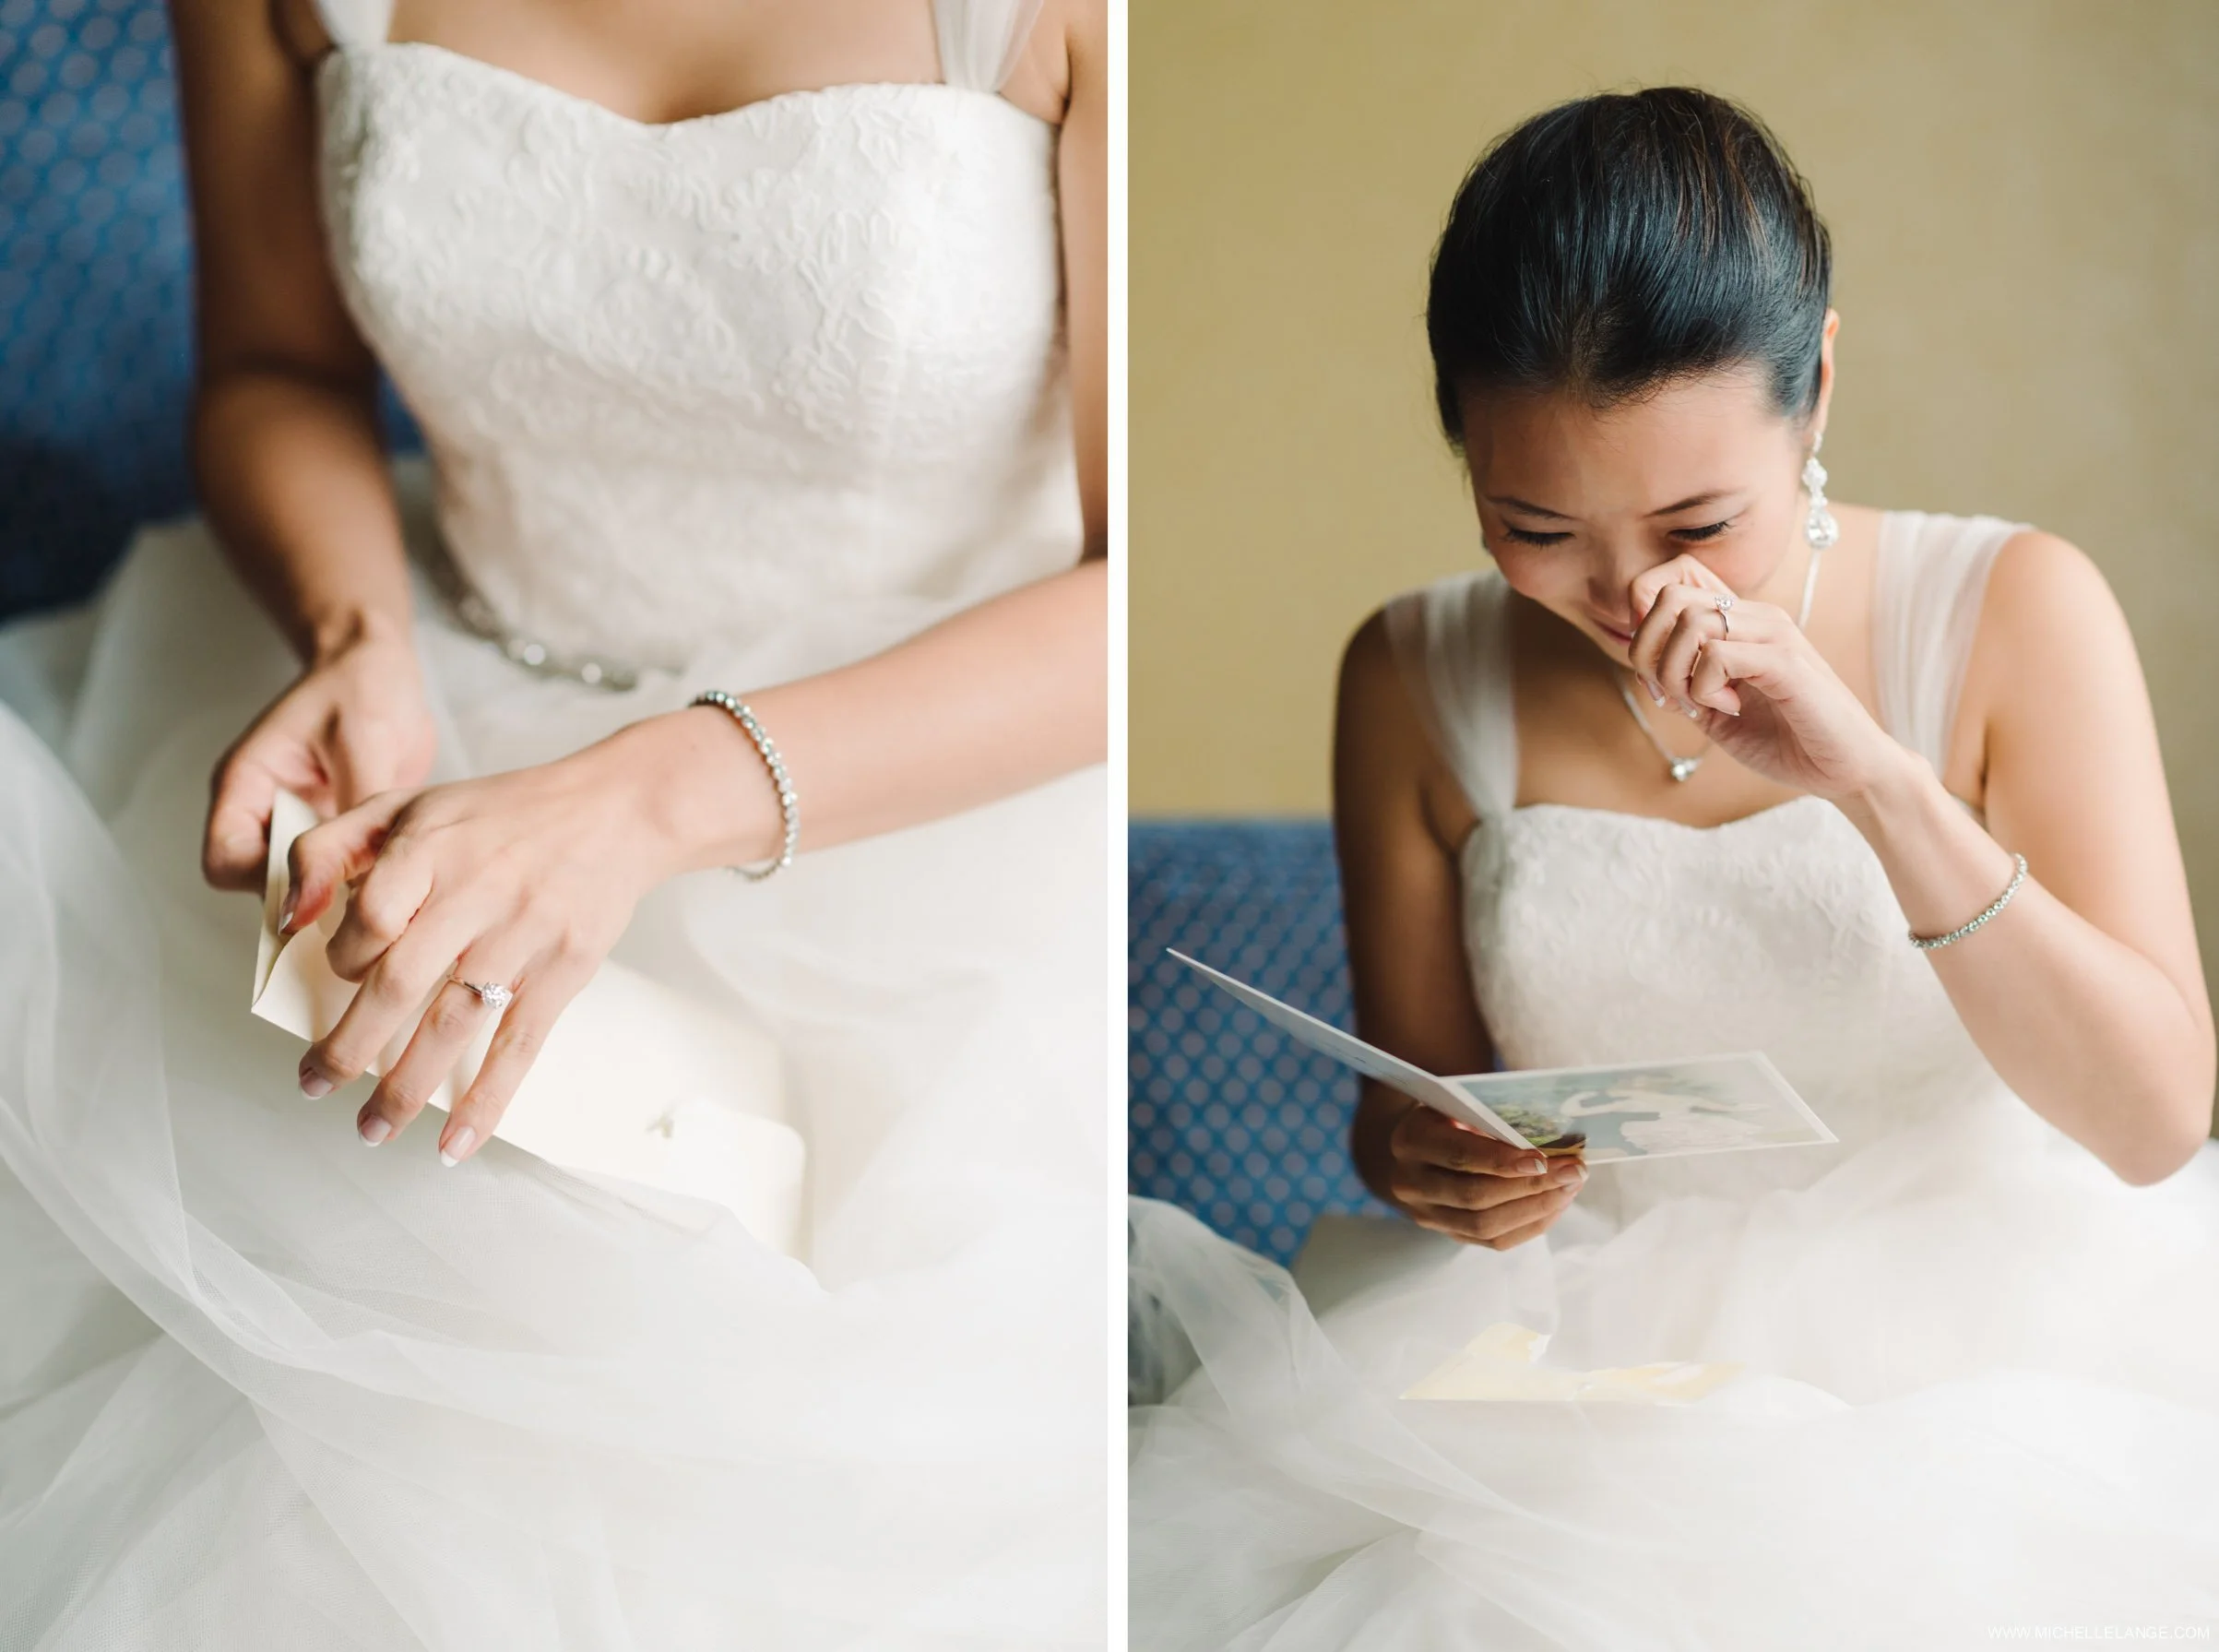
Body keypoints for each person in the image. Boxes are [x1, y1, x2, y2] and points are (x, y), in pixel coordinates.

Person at [0, 0, 1107, 1644]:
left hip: (930, 799)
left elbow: (1135, 585)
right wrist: (351, 635)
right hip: (440, 702)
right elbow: (273, 372)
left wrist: (643, 800)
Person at [1128, 87, 2219, 1646]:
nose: (1629, 594)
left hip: (1998, 1351)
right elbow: (1408, 1115)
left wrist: (1870, 777)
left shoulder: (2017, 611)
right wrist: (1435, 1167)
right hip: (1580, 1366)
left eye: (1701, 521)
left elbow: (2153, 1119)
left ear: (1817, 387)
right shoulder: (1406, 674)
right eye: (1534, 525)